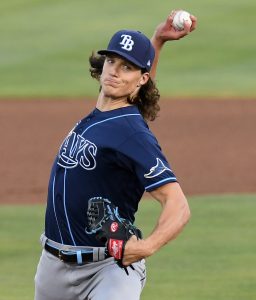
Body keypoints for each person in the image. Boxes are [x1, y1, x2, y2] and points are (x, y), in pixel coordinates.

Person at [34, 10, 197, 300]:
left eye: (126, 67)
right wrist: (157, 41)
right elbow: (138, 90)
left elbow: (178, 204)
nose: (113, 71)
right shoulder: (103, 115)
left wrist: (147, 247)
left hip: (108, 270)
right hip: (52, 269)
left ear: (141, 78)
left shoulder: (133, 135)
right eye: (111, 61)